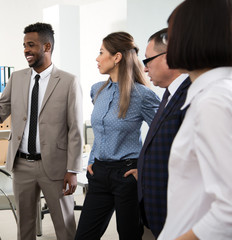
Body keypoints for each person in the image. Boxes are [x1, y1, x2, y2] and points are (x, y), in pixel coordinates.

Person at [0, 22, 83, 240]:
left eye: (31, 45)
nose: (25, 50)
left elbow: (75, 129)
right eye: (24, 45)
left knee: (65, 226)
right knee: (25, 227)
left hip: (56, 166)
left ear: (47, 46)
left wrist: (72, 169)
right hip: (21, 165)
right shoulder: (17, 78)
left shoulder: (69, 81)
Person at [157, 0, 232, 239]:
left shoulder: (213, 101)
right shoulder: (215, 93)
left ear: (192, 35)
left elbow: (228, 210)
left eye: (169, 36)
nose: (168, 45)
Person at [75, 32, 160, 240]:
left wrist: (144, 167)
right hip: (99, 174)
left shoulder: (141, 95)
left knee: (129, 236)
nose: (97, 58)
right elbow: (101, 130)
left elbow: (162, 133)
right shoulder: (97, 91)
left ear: (117, 57)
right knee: (84, 236)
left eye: (101, 52)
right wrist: (93, 159)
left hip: (126, 175)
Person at [137, 28, 191, 238]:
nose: (145, 67)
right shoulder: (169, 95)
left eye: (148, 59)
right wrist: (143, 168)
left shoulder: (191, 96)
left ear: (168, 58)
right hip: (156, 210)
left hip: (178, 216)